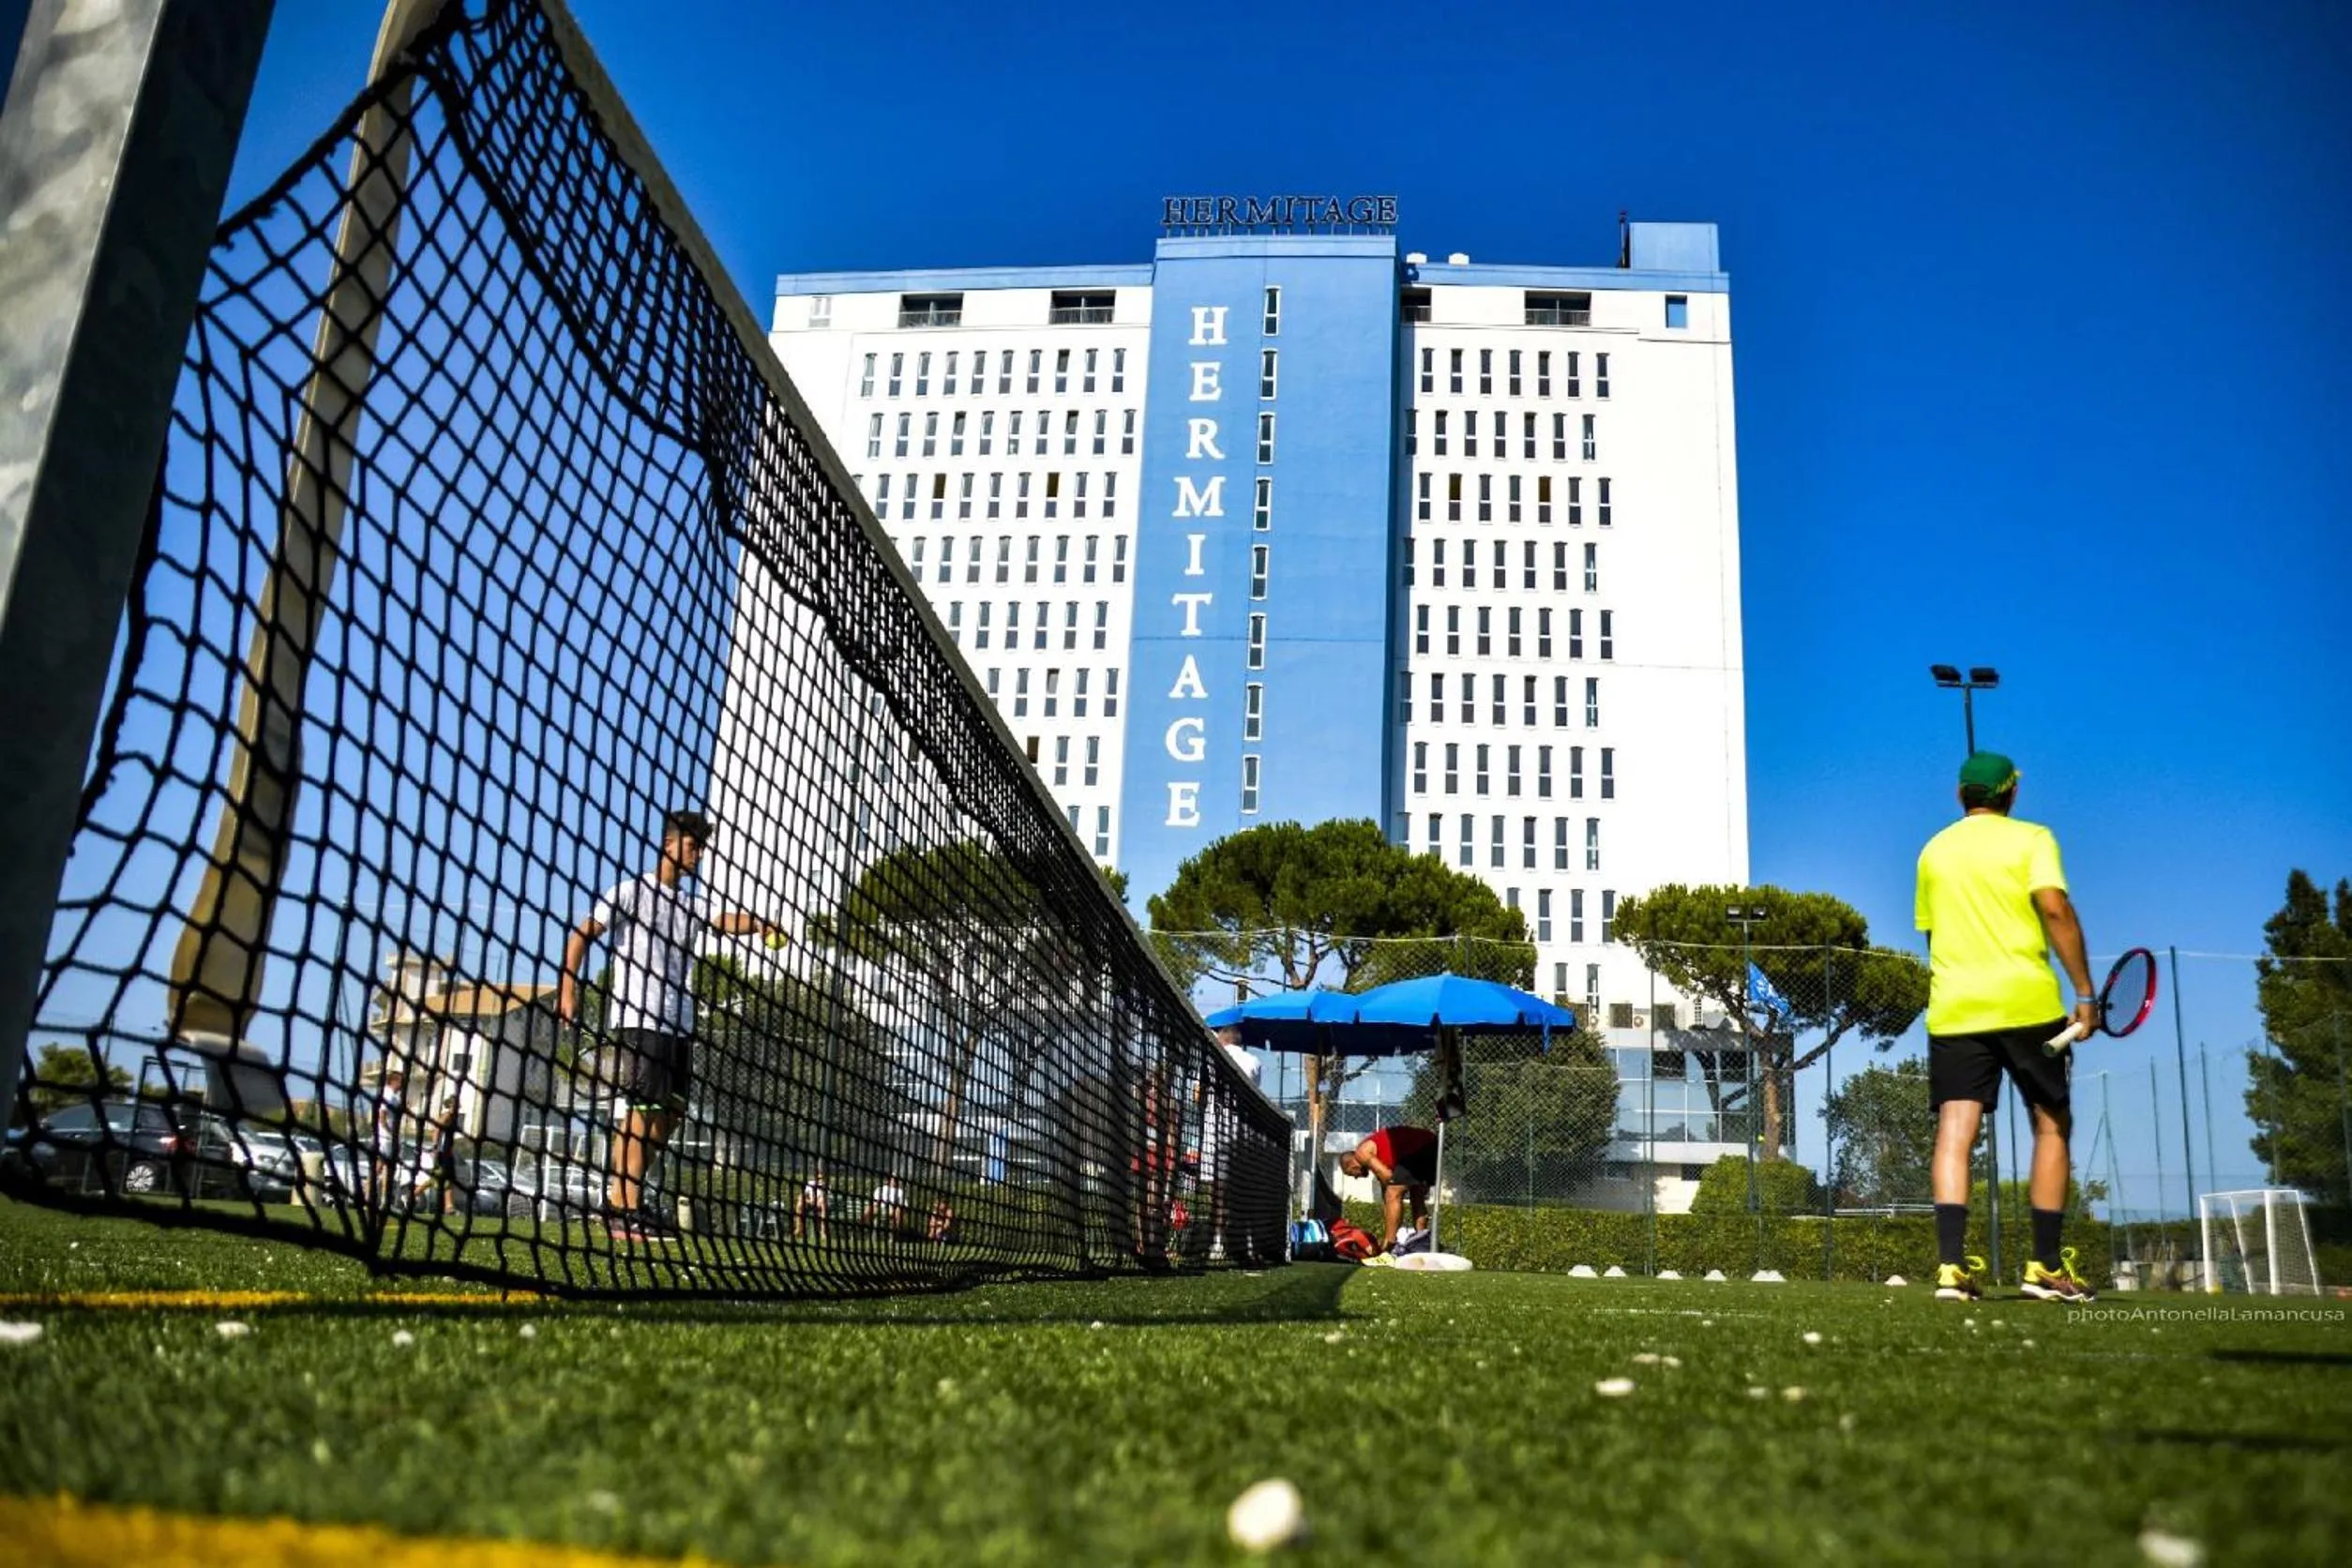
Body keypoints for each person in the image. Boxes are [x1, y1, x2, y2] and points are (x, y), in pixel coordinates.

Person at [1915, 752, 2099, 1304]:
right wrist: (2084, 994)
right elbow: (2055, 908)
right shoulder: (2033, 839)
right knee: (2052, 1125)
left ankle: (1951, 1269)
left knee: (1955, 1131)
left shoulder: (1933, 850)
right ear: (2012, 793)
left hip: (1955, 1008)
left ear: (1960, 794)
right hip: (2027, 1005)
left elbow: (1932, 935)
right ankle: (2043, 1268)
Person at [557, 808, 782, 1243]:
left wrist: (758, 924)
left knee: (671, 1115)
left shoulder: (690, 905)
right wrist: (569, 988)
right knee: (642, 1115)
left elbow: (723, 920)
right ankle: (626, 1209)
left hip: (679, 1026)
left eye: (701, 848)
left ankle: (619, 1200)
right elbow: (581, 935)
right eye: (693, 846)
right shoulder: (630, 892)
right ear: (669, 844)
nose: (698, 855)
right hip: (639, 1019)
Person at [1338, 1124, 1439, 1252]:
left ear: (1352, 1166)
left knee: (1393, 1193)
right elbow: (1386, 1198)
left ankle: (1390, 1244)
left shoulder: (1361, 1153)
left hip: (1416, 1148)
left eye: (1352, 1174)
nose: (1356, 1177)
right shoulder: (1376, 1158)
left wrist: (1386, 1237)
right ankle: (1421, 1242)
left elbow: (1387, 1176)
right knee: (1416, 1195)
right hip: (1430, 1143)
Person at [369, 1065, 406, 1208]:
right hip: (384, 1138)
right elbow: (382, 1117)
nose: (402, 1085)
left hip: (390, 1139)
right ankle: (366, 1196)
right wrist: (390, 1132)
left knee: (387, 1169)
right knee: (378, 1168)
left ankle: (384, 1201)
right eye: (401, 1082)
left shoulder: (394, 1097)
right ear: (394, 1082)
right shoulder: (387, 1094)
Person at [793, 1168, 829, 1242]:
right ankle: (799, 1229)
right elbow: (803, 1195)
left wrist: (816, 1201)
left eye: (821, 1178)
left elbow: (823, 1198)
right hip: (810, 1203)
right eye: (818, 1178)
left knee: (822, 1202)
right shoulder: (810, 1183)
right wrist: (807, 1200)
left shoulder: (825, 1185)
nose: (819, 1180)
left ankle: (823, 1232)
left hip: (820, 1205)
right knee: (800, 1203)